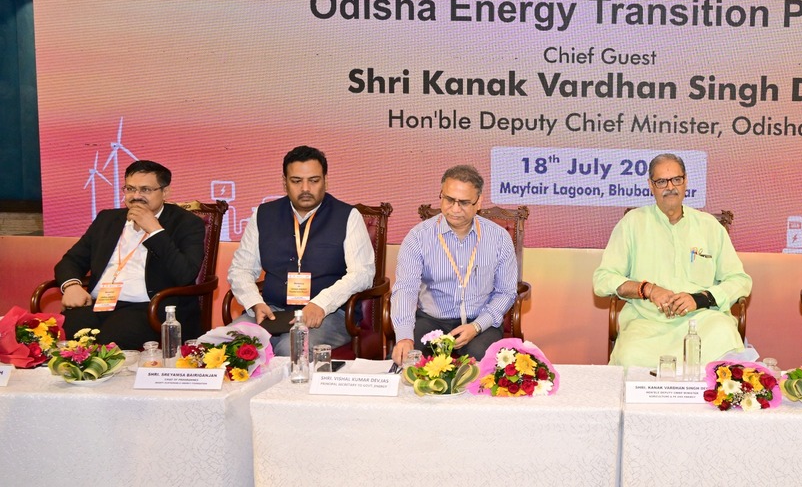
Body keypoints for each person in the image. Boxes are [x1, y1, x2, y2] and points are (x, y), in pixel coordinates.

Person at [593, 153, 752, 367]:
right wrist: (648, 289)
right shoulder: (632, 223)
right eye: (661, 181)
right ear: (651, 185)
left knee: (724, 335)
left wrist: (700, 299)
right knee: (630, 356)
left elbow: (740, 280)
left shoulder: (709, 226)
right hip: (647, 323)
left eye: (676, 179)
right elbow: (603, 279)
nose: (670, 187)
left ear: (685, 181)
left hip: (702, 321)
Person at [227, 146, 375, 356]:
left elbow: (362, 273)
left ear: (325, 181)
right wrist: (255, 302)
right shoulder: (263, 215)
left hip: (328, 314)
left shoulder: (348, 216)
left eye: (314, 180)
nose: (305, 188)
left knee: (291, 348)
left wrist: (321, 304)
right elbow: (241, 269)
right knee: (228, 344)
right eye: (296, 181)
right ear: (284, 182)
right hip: (272, 311)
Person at [55, 160, 206, 350]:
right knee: (66, 339)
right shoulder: (107, 219)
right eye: (130, 189)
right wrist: (71, 285)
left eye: (145, 190)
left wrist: (155, 231)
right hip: (98, 304)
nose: (136, 196)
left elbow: (185, 274)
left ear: (165, 192)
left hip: (147, 307)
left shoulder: (186, 223)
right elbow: (71, 260)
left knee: (110, 345)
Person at [389, 165, 517, 364]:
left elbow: (506, 292)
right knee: (409, 360)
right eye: (449, 199)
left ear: (478, 202)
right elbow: (406, 288)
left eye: (464, 202)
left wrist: (477, 326)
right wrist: (404, 336)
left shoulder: (499, 237)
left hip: (480, 322)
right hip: (431, 320)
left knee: (483, 362)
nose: (455, 209)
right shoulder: (418, 237)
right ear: (441, 195)